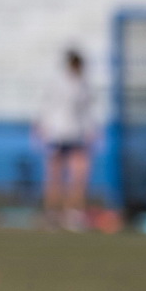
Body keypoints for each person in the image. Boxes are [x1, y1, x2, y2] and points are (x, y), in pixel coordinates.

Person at [35, 49, 98, 230]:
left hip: (76, 133)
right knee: (54, 175)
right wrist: (43, 128)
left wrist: (91, 130)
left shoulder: (84, 85)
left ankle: (73, 213)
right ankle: (52, 213)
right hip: (57, 133)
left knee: (79, 174)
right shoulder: (57, 82)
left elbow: (87, 111)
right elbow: (46, 106)